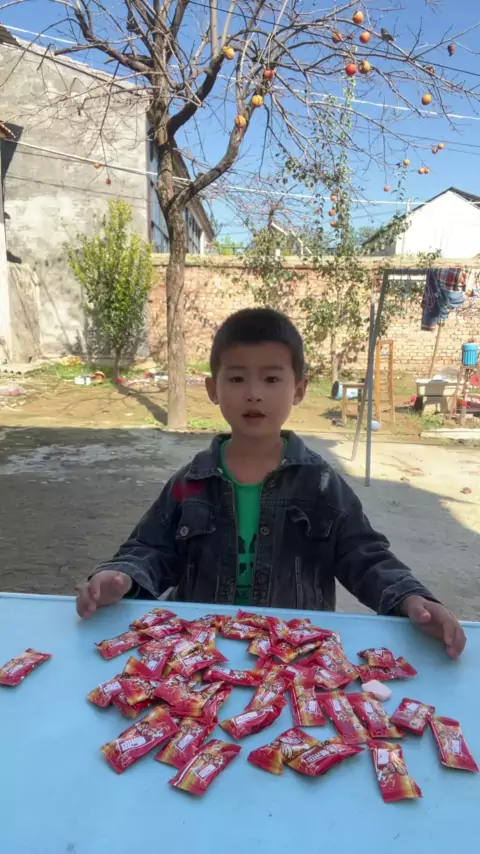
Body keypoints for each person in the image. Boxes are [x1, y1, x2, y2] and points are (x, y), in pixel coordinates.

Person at [76, 308, 466, 659]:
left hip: (292, 655)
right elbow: (151, 547)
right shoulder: (192, 482)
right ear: (213, 390)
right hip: (202, 653)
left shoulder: (321, 485)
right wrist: (121, 577)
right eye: (237, 378)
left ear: (298, 390)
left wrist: (411, 598)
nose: (254, 394)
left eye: (272, 378)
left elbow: (364, 556)